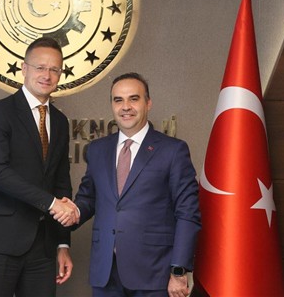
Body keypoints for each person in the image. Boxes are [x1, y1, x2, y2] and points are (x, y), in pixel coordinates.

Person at [56, 72, 201, 297]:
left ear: (148, 103)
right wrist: (73, 212)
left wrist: (179, 270)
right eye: (118, 100)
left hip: (155, 274)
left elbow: (187, 213)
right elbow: (89, 198)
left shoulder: (173, 150)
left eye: (134, 99)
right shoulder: (97, 149)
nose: (126, 107)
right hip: (106, 273)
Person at [0, 37, 78, 297]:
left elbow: (61, 182)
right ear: (24, 68)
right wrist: (52, 204)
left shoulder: (60, 122)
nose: (47, 75)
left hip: (43, 246)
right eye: (40, 67)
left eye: (54, 69)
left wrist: (62, 243)